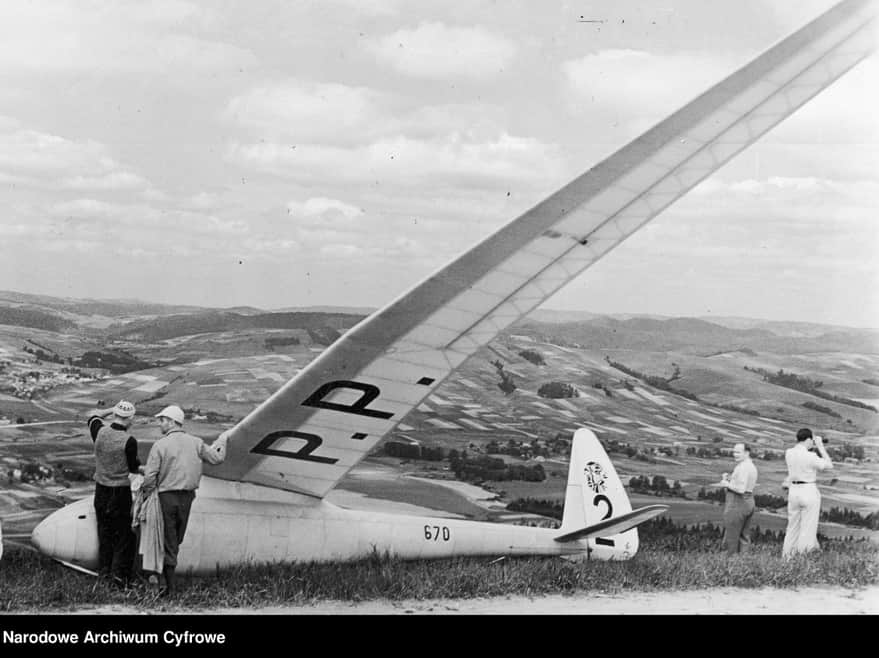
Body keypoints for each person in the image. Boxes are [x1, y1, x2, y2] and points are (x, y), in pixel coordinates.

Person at [142, 405, 228, 595]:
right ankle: (168, 583)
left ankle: (167, 587)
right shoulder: (196, 443)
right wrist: (223, 440)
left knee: (168, 540)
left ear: (172, 422)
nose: (159, 424)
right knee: (176, 540)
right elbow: (217, 458)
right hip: (187, 499)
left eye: (162, 420)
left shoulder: (160, 445)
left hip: (166, 498)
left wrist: (147, 492)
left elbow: (149, 478)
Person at [88, 399, 142, 587]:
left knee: (104, 533)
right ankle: (120, 578)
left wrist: (111, 409)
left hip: (101, 490)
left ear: (115, 415)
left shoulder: (100, 433)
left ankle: (103, 574)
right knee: (123, 535)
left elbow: (93, 416)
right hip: (120, 491)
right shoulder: (129, 441)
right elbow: (134, 469)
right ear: (130, 419)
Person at [782, 428, 833, 559]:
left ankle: (787, 558)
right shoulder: (811, 456)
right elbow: (829, 465)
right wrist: (821, 446)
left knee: (792, 527)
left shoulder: (789, 453)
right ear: (809, 439)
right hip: (808, 491)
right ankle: (802, 559)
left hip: (793, 491)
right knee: (808, 529)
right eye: (812, 440)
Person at [719, 442, 758, 556]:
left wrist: (726, 483)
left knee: (731, 536)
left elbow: (740, 489)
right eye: (734, 452)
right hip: (748, 500)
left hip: (738, 502)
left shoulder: (743, 467)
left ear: (746, 453)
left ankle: (728, 563)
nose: (735, 454)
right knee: (743, 535)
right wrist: (731, 478)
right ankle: (742, 562)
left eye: (738, 452)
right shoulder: (750, 465)